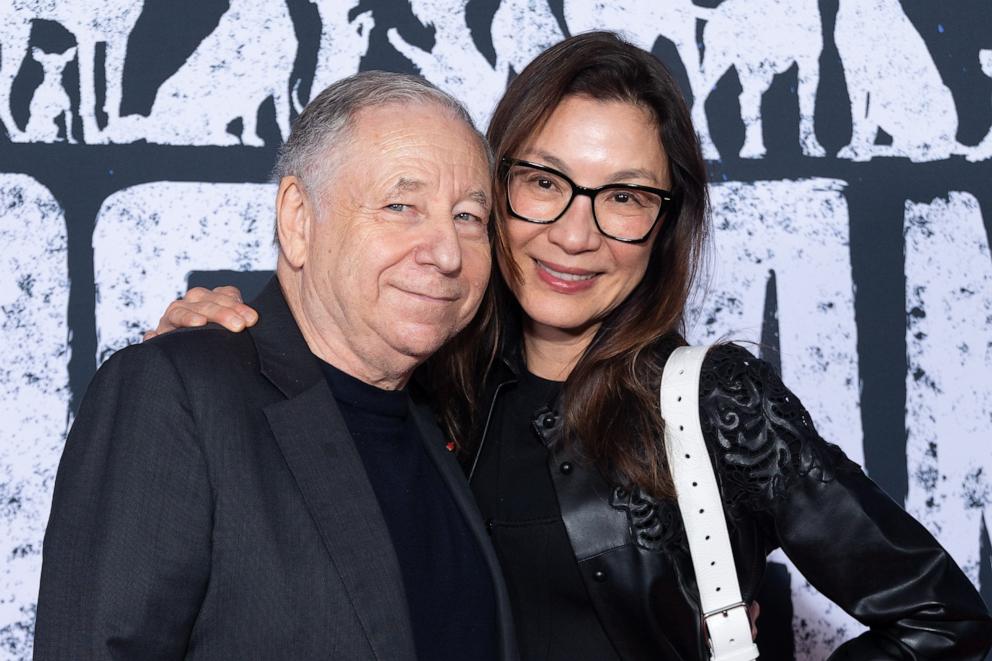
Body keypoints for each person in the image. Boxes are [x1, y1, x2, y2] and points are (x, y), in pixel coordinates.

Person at [147, 33, 992, 660]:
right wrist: (237, 341)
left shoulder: (712, 403)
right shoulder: (417, 383)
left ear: (665, 224)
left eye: (623, 195)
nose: (575, 234)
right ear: (493, 187)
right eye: (544, 183)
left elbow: (944, 618)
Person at [34, 71, 519, 660]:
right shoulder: (177, 394)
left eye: (469, 217)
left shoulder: (444, 420)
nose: (446, 253)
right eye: (400, 205)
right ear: (297, 219)